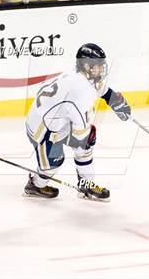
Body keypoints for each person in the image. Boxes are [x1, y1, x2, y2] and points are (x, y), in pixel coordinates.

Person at [23, 43, 131, 201]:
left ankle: (86, 185)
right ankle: (35, 185)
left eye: (102, 65)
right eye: (98, 66)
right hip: (42, 127)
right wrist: (85, 137)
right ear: (87, 65)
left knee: (86, 144)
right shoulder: (81, 91)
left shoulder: (81, 75)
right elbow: (80, 134)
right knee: (54, 163)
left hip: (57, 119)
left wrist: (115, 100)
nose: (101, 69)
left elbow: (101, 89)